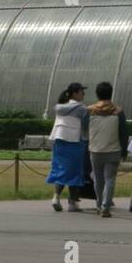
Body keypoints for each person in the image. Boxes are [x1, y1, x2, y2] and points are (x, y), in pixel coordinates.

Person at [87, 81, 129, 217]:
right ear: (111, 94)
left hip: (95, 150)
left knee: (98, 179)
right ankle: (106, 206)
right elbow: (123, 132)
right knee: (110, 178)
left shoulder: (90, 110)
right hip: (113, 150)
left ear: (97, 94)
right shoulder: (118, 112)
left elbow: (83, 130)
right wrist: (124, 150)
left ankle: (99, 204)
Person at [47, 83, 88, 211]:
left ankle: (56, 197)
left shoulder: (60, 108)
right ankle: (72, 202)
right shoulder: (81, 108)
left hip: (59, 142)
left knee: (60, 169)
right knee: (75, 171)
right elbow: (86, 125)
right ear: (75, 93)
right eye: (82, 92)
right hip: (74, 142)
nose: (83, 94)